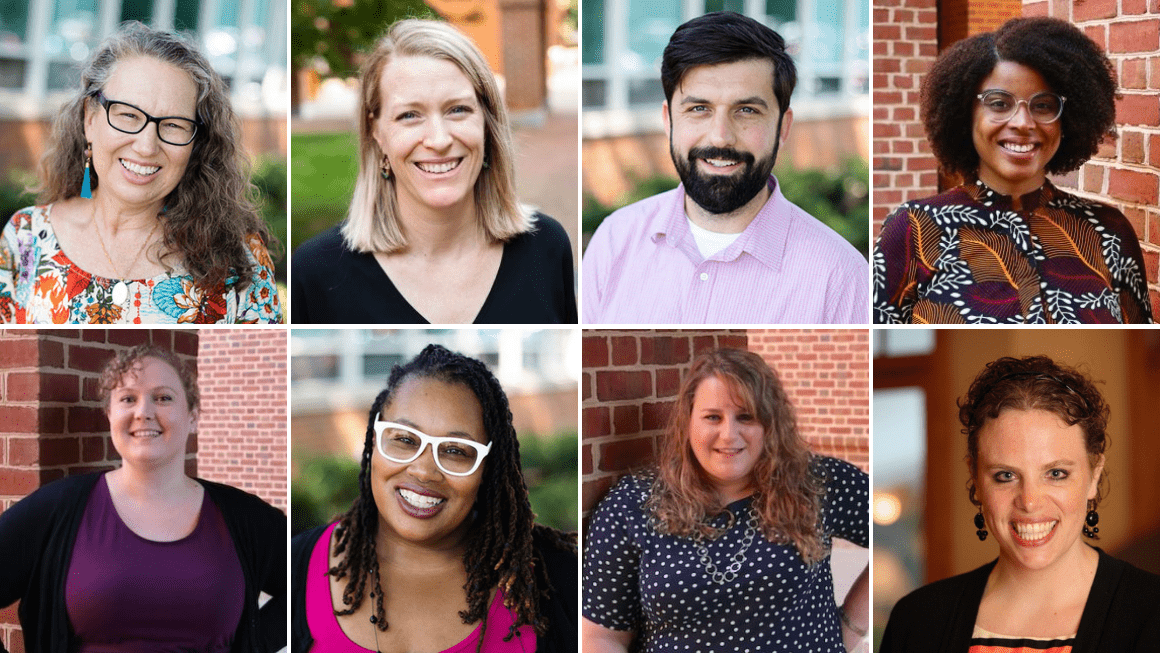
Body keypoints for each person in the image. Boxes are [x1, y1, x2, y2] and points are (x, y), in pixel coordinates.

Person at [581, 12, 868, 325]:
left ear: (782, 128)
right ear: (668, 120)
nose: (721, 136)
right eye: (699, 109)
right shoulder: (614, 240)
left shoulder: (840, 277)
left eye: (746, 110)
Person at [290, 344, 577, 652]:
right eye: (404, 439)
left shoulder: (559, 581)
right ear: (374, 444)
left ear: (486, 469)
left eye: (455, 450)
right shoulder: (294, 568)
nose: (424, 471)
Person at [0, 345, 286, 651]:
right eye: (128, 399)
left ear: (193, 416)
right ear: (110, 414)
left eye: (163, 398)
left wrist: (257, 642)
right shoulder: (57, 509)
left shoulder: (243, 517)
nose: (144, 412)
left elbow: (309, 582)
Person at [583, 348, 869, 652]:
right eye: (713, 417)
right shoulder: (632, 504)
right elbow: (602, 635)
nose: (729, 434)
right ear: (688, 422)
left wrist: (850, 628)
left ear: (770, 424)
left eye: (746, 417)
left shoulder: (816, 483)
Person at [291, 20, 576, 324]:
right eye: (409, 115)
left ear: (487, 122)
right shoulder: (315, 273)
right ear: (376, 131)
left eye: (458, 110)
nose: (439, 140)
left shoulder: (546, 247)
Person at [873, 17, 1153, 324]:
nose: (1023, 122)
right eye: (999, 103)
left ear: (1068, 118)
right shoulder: (914, 229)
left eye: (1043, 105)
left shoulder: (1109, 230)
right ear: (966, 113)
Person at [0, 22, 281, 324]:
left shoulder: (239, 258)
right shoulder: (26, 238)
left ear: (197, 143)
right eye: (128, 115)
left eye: (173, 124)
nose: (146, 146)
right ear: (89, 120)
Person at [881, 355, 1160, 651]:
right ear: (975, 478)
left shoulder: (1152, 614)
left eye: (1056, 473)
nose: (1029, 502)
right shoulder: (917, 620)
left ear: (1094, 476)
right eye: (1005, 475)